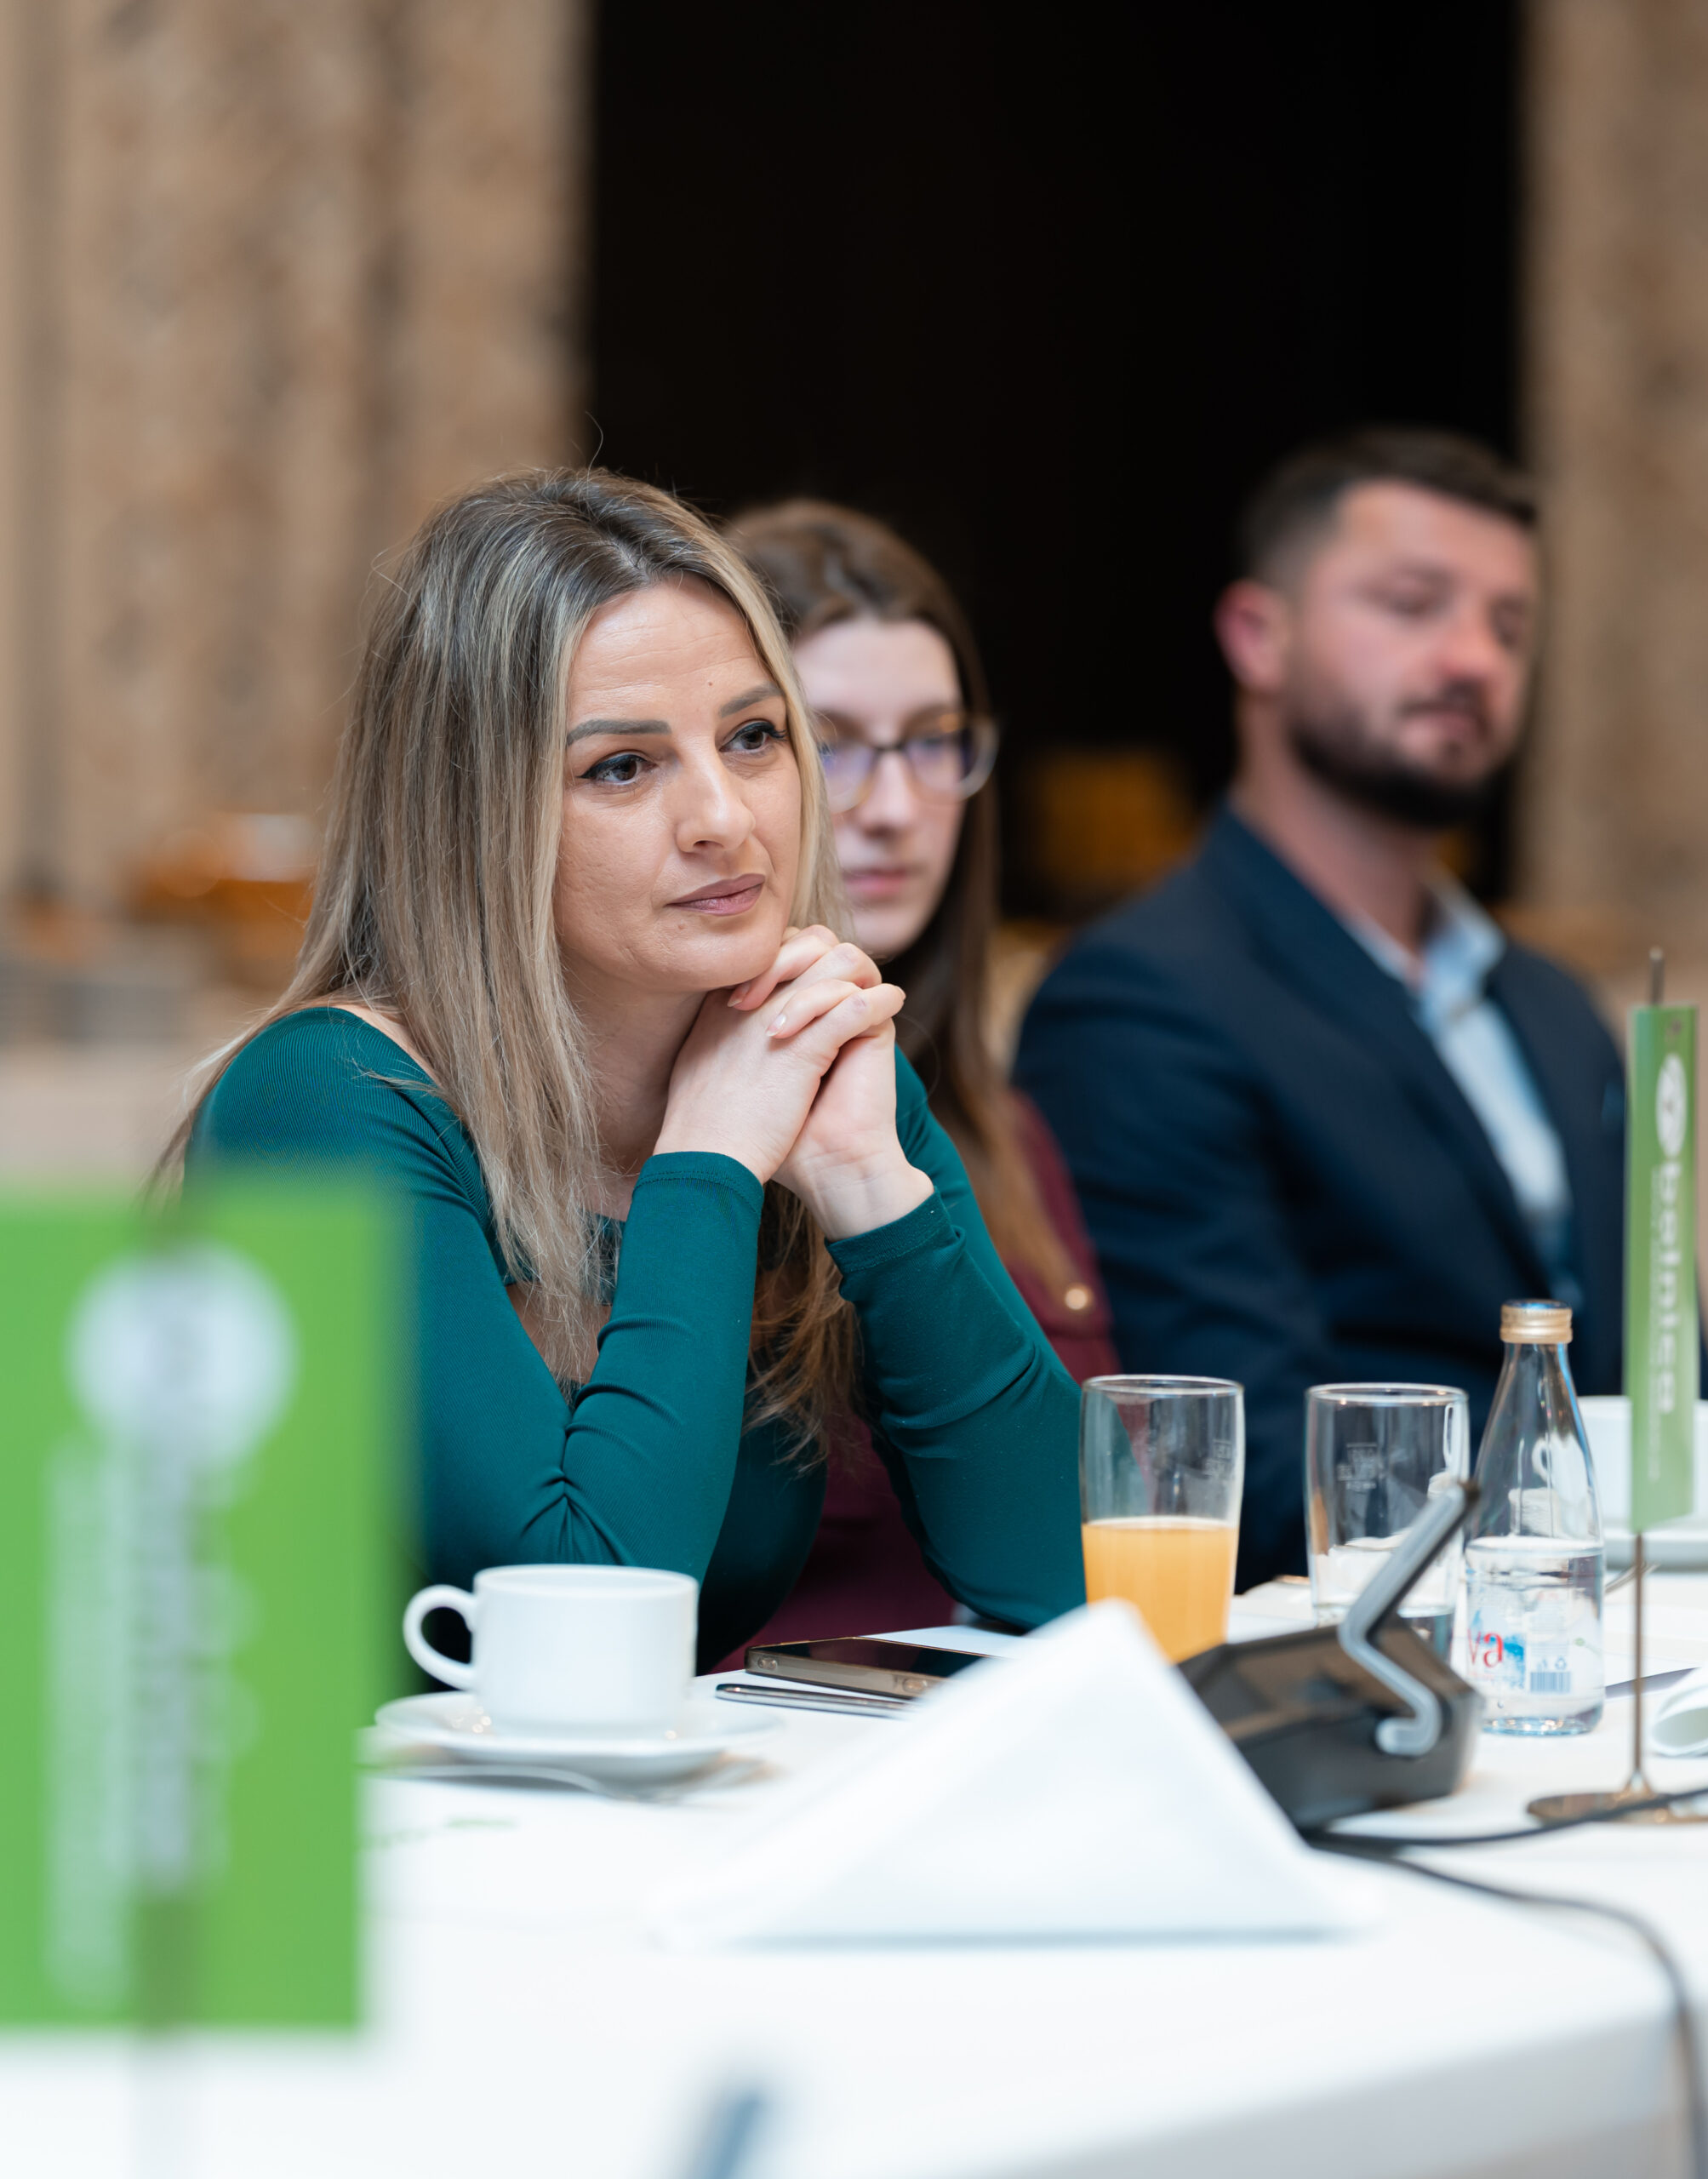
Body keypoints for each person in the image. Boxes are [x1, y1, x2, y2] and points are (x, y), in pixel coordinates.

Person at [173, 468, 1083, 1667]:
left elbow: (1065, 1574)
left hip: (675, 1787)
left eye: (754, 738)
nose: (725, 818)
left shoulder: (802, 1055)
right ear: (474, 816)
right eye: (622, 767)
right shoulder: (326, 1102)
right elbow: (580, 1624)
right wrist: (706, 1167)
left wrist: (873, 1186)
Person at [1017, 426, 1708, 1592]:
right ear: (1259, 636)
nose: (1473, 658)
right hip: (1372, 1630)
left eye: (1509, 625)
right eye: (1412, 604)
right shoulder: (1137, 998)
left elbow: (1681, 1390)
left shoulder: (1554, 1005)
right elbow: (1244, 1464)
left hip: (1663, 1635)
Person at [727, 502, 1117, 1646]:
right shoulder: (680, 1123)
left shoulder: (1002, 1124)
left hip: (1003, 1720)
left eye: (935, 741)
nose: (897, 809)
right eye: (831, 743)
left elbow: (1092, 1549)